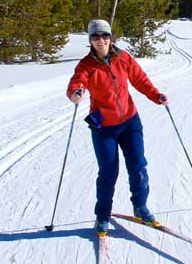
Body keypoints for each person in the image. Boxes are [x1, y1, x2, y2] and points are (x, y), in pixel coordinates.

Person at [66, 19, 168, 234]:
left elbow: (140, 80)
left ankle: (140, 206)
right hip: (104, 127)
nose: (100, 40)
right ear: (90, 41)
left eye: (104, 36)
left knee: (138, 164)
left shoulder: (123, 58)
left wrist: (156, 96)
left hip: (130, 121)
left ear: (111, 38)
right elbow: (78, 81)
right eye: (95, 37)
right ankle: (102, 215)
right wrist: (75, 92)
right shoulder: (86, 65)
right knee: (108, 172)